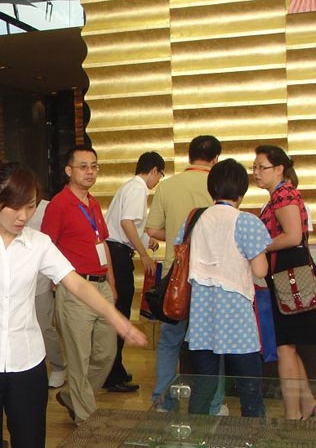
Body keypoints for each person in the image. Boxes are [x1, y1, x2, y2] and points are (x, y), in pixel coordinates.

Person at [0, 161, 146, 448]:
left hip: (27, 363)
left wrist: (116, 318)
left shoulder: (39, 243)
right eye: (16, 207)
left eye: (31, 207)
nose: (24, 216)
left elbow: (76, 283)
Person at [183, 159, 270, 417]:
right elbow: (260, 270)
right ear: (241, 191)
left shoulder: (195, 218)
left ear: (212, 188)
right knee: (249, 388)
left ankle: (195, 434)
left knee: (204, 385)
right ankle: (252, 435)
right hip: (237, 319)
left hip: (202, 316)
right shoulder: (247, 222)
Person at [41, 144, 119, 422]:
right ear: (68, 170)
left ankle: (71, 396)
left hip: (101, 286)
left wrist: (111, 282)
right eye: (83, 166)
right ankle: (87, 420)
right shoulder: (59, 204)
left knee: (106, 353)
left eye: (94, 166)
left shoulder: (93, 203)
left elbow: (102, 243)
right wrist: (56, 282)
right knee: (79, 357)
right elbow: (45, 247)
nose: (90, 172)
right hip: (75, 289)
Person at [145, 135, 222, 411]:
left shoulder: (167, 186)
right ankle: (212, 404)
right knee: (211, 345)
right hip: (209, 276)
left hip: (174, 277)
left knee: (169, 342)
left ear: (189, 156)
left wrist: (178, 236)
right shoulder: (217, 186)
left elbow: (152, 229)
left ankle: (163, 401)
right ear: (216, 158)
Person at [253, 145, 316, 420]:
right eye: (254, 167)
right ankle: (307, 404)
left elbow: (292, 236)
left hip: (289, 277)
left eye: (262, 167)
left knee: (285, 346)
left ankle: (292, 415)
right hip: (285, 277)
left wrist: (260, 246)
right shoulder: (278, 195)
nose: (256, 172)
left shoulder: (284, 194)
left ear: (279, 169)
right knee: (288, 345)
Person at [103, 151, 165, 392]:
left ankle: (115, 369)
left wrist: (146, 241)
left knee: (120, 311)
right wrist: (144, 254)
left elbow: (129, 227)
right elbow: (126, 223)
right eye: (159, 175)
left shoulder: (129, 187)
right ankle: (112, 374)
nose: (157, 181)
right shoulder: (138, 188)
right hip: (119, 255)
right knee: (120, 312)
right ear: (154, 170)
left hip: (116, 252)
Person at [28, 198, 67, 388]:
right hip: (14, 282)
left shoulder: (47, 207)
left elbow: (56, 242)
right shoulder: (5, 206)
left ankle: (59, 365)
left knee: (44, 326)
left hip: (41, 280)